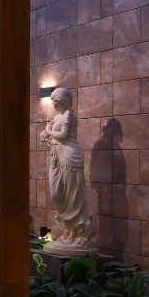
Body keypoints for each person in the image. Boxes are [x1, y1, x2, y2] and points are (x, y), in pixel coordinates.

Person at [39, 88, 94, 255]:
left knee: (72, 194)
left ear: (63, 100)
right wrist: (47, 135)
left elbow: (63, 135)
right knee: (57, 193)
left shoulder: (69, 114)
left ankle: (74, 231)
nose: (54, 103)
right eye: (52, 100)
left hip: (70, 156)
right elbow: (55, 137)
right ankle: (68, 226)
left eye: (56, 100)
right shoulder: (57, 117)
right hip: (57, 156)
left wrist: (49, 130)